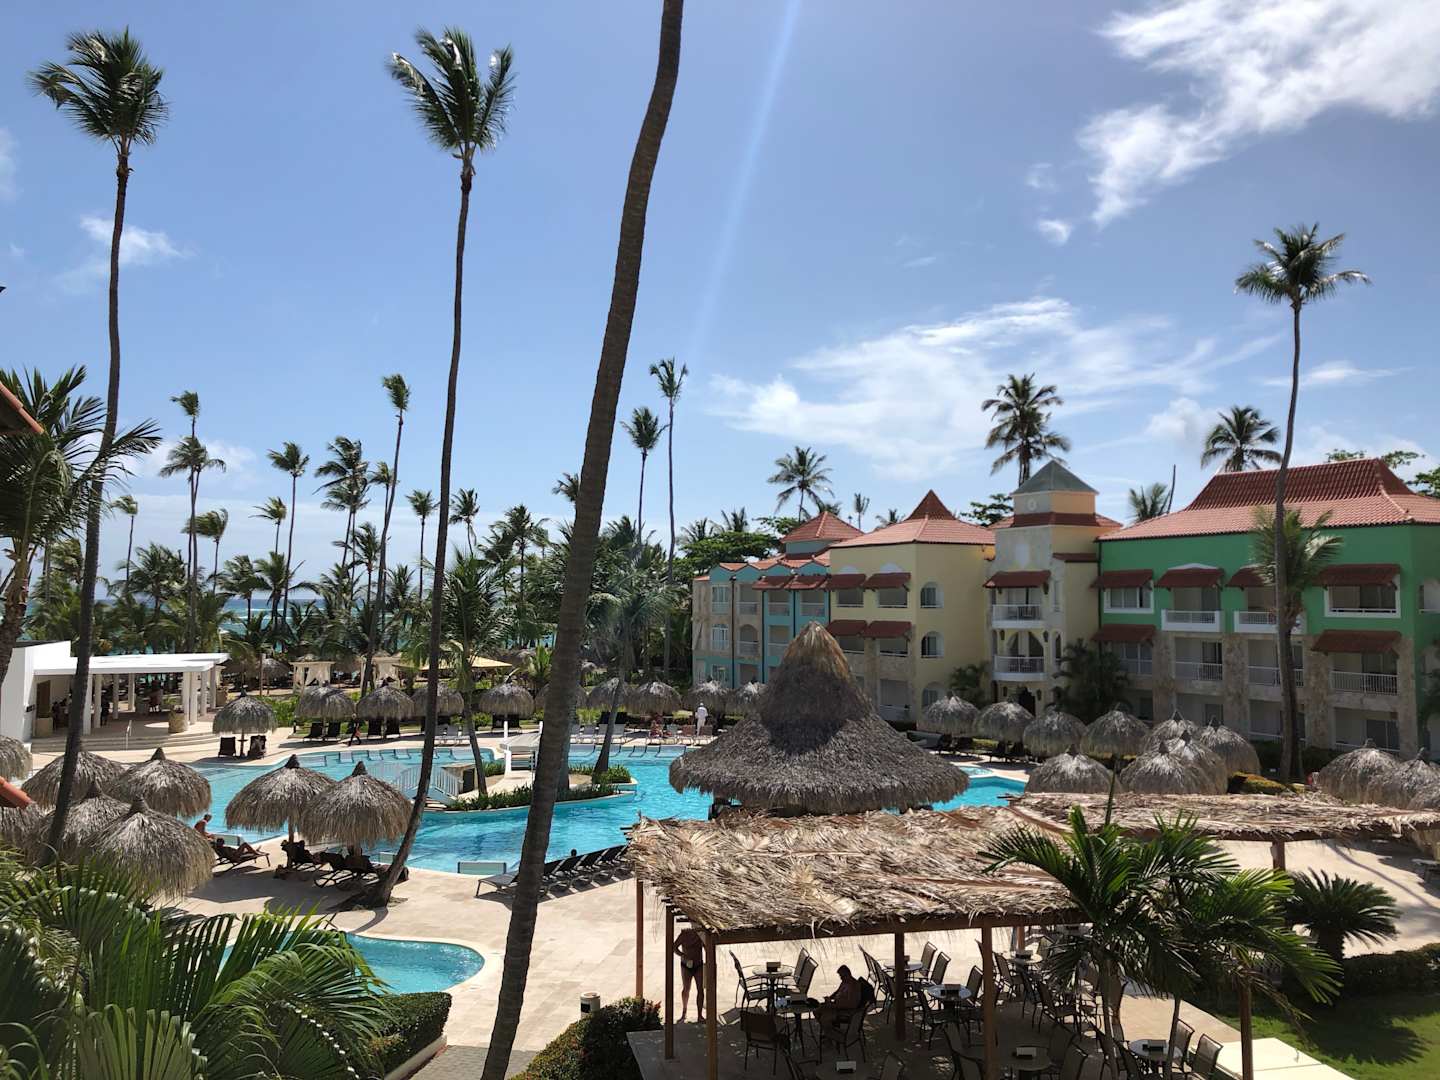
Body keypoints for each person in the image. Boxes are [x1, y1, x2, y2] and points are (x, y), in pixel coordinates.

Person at [816, 965, 863, 1031]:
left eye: (842, 976)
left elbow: (852, 1004)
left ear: (847, 974)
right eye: (840, 976)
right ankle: (828, 1028)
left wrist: (834, 1006)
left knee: (824, 1017)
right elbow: (837, 991)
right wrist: (829, 998)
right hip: (836, 1005)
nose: (841, 978)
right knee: (816, 1009)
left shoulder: (854, 986)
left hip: (845, 1011)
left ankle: (831, 1032)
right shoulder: (844, 982)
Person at [674, 926, 705, 1022]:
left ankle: (700, 1015)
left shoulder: (700, 934)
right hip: (686, 965)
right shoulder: (684, 934)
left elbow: (707, 946)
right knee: (686, 989)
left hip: (698, 964)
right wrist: (683, 955)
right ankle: (684, 1011)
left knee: (700, 989)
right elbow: (674, 947)